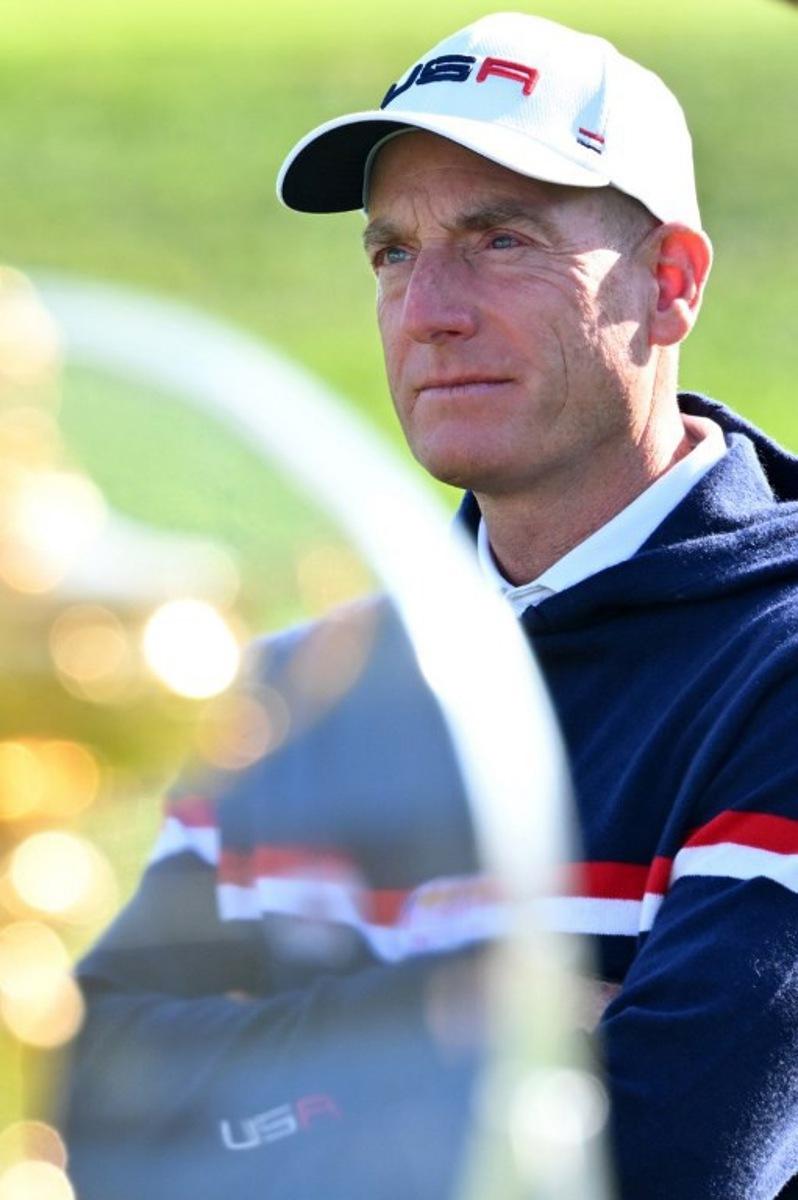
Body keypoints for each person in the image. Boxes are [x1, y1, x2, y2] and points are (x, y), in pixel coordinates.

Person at [63, 12, 798, 1199]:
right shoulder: (294, 695)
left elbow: (671, 1159)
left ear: (670, 284)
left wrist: (282, 1084)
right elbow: (90, 1112)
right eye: (392, 252)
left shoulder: (778, 672)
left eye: (500, 239)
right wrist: (462, 1023)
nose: (430, 309)